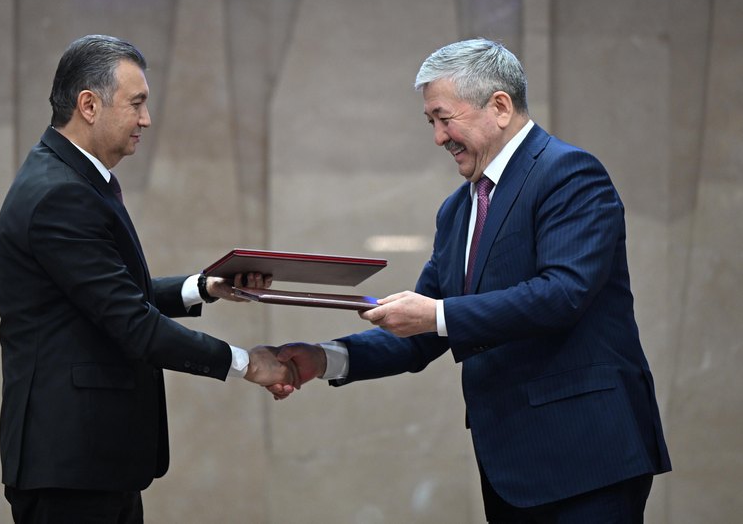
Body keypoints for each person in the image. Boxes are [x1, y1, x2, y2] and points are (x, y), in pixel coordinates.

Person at [270, 38, 671, 523]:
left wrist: (436, 314)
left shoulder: (569, 174)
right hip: (510, 466)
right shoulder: (458, 210)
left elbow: (563, 294)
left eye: (444, 118)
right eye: (431, 123)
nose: (439, 138)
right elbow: (423, 332)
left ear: (499, 106)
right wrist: (323, 358)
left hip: (588, 456)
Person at [0, 34, 298, 523]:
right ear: (88, 105)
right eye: (136, 103)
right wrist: (246, 364)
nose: (146, 119)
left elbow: (103, 297)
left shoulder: (71, 179)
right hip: (70, 469)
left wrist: (204, 287)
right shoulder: (59, 194)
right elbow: (130, 321)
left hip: (90, 463)